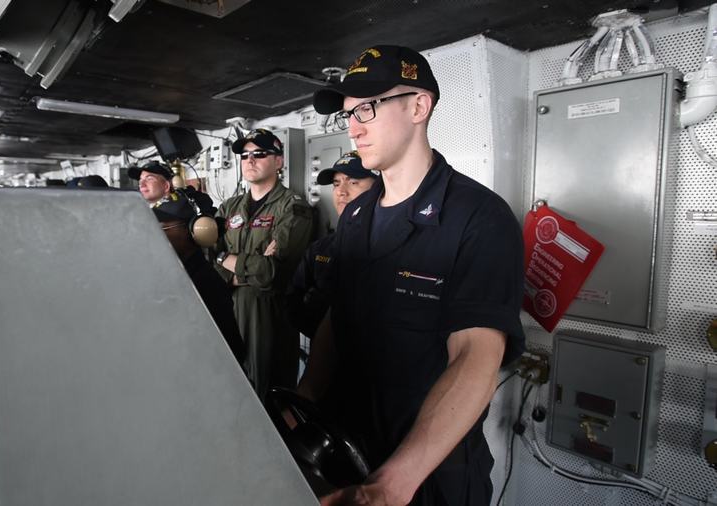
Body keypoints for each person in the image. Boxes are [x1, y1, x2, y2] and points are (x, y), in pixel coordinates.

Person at [299, 45, 525, 505]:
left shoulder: (478, 217)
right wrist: (302, 405)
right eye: (348, 114)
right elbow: (336, 320)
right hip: (347, 455)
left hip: (427, 476)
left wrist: (392, 483)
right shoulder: (356, 215)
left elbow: (476, 357)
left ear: (419, 106)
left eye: (367, 108)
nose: (354, 127)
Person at [214, 128, 314, 398]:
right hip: (228, 308)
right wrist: (226, 261)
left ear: (278, 161)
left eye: (259, 154)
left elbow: (272, 273)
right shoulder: (228, 208)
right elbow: (209, 259)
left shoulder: (293, 207)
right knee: (229, 386)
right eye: (245, 155)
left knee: (266, 393)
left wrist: (226, 260)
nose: (250, 160)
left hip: (269, 316)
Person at [287, 151, 377, 339]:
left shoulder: (394, 246)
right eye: (336, 184)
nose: (341, 191)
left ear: (379, 187)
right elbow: (293, 298)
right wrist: (320, 337)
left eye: (353, 182)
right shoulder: (320, 249)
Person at [151, 188, 246, 364]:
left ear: (196, 231)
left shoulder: (205, 283)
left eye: (164, 228)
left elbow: (231, 352)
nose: (157, 235)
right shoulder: (174, 273)